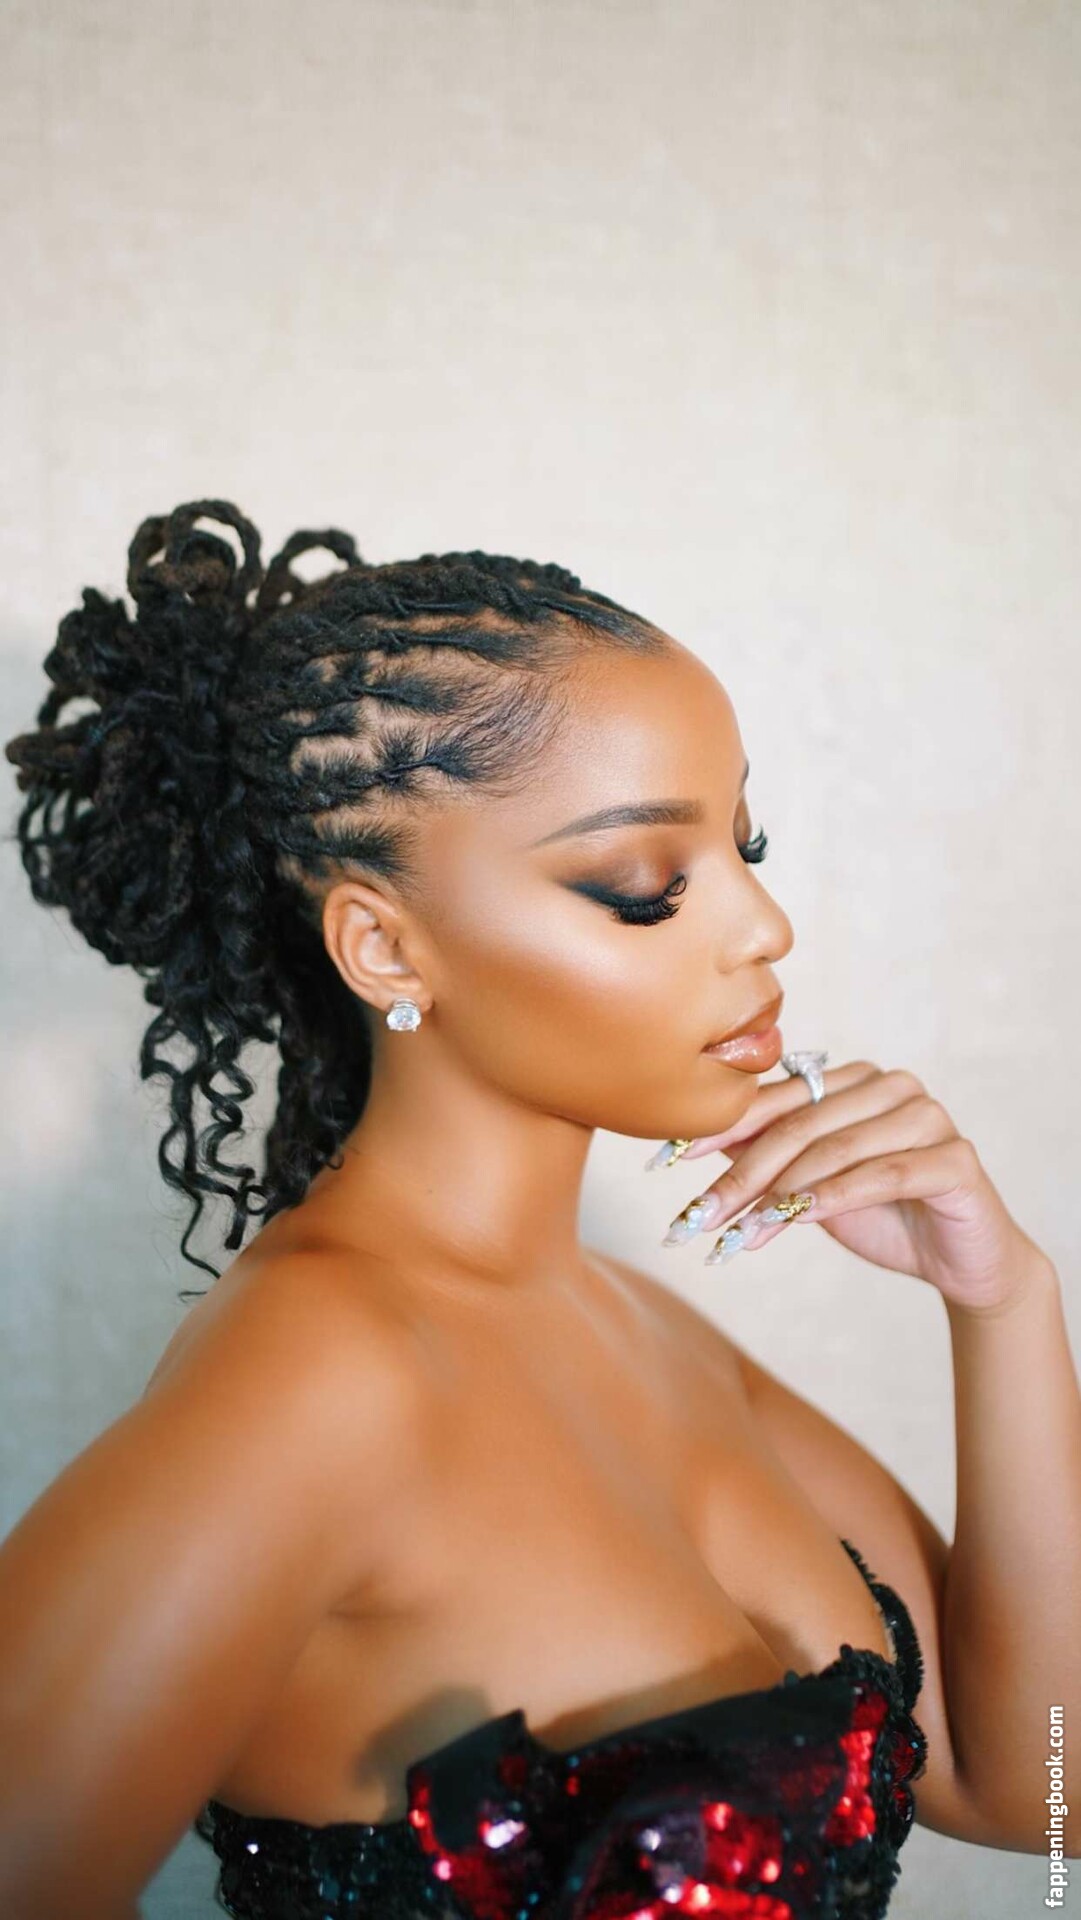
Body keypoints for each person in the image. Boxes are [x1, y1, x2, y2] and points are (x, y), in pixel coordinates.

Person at [1, 499, 1076, 1919]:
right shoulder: (312, 1382)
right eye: (646, 887)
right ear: (385, 947)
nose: (765, 929)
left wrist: (1003, 1301)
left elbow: (1035, 1794)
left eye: (747, 846)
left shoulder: (650, 1330)